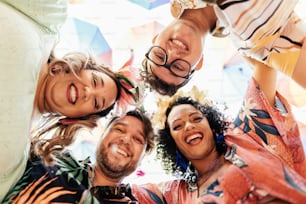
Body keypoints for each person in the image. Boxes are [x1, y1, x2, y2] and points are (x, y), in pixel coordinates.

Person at [0, 0, 139, 201]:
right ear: (82, 66)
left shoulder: (14, 160)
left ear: (75, 119)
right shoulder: (47, 18)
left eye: (95, 103)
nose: (87, 92)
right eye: (95, 81)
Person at [154, 59, 306, 203]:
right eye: (177, 126)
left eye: (196, 118)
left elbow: (264, 63)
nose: (189, 126)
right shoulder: (176, 195)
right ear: (172, 143)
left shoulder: (247, 134)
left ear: (212, 126)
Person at [141, 0, 306, 96]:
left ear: (154, 39)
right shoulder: (253, 42)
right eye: (178, 66)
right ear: (199, 64)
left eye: (158, 56)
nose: (171, 54)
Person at [2, 109, 166, 204]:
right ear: (102, 136)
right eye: (119, 129)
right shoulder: (52, 157)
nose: (125, 139)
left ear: (142, 157)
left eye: (137, 139)